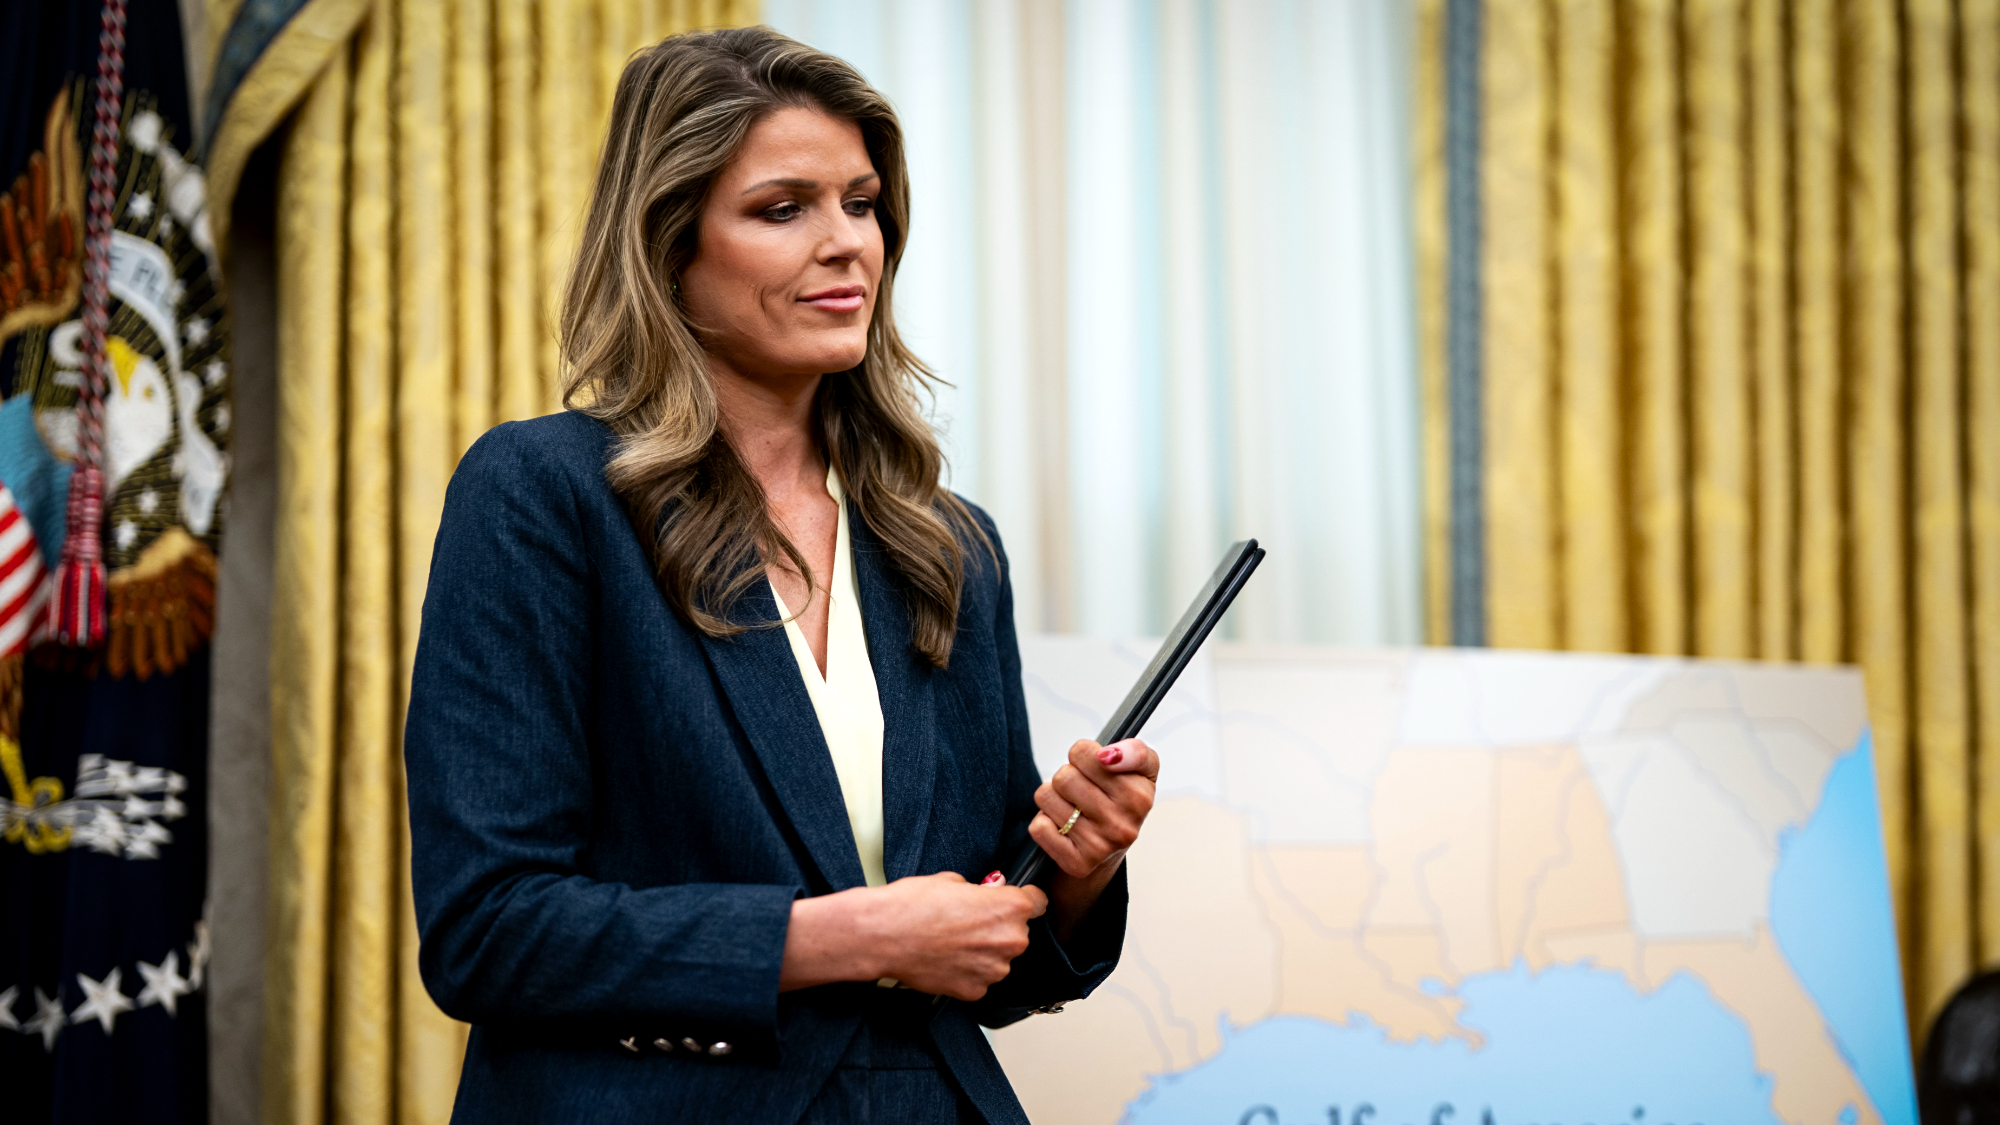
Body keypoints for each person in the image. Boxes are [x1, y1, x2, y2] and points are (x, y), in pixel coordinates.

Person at [402, 25, 1158, 1125]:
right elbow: (488, 929)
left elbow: (999, 955)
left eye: (861, 202)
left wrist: (1075, 870)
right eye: (781, 208)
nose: (847, 242)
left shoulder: (947, 541)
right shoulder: (541, 495)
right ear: (669, 244)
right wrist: (847, 937)